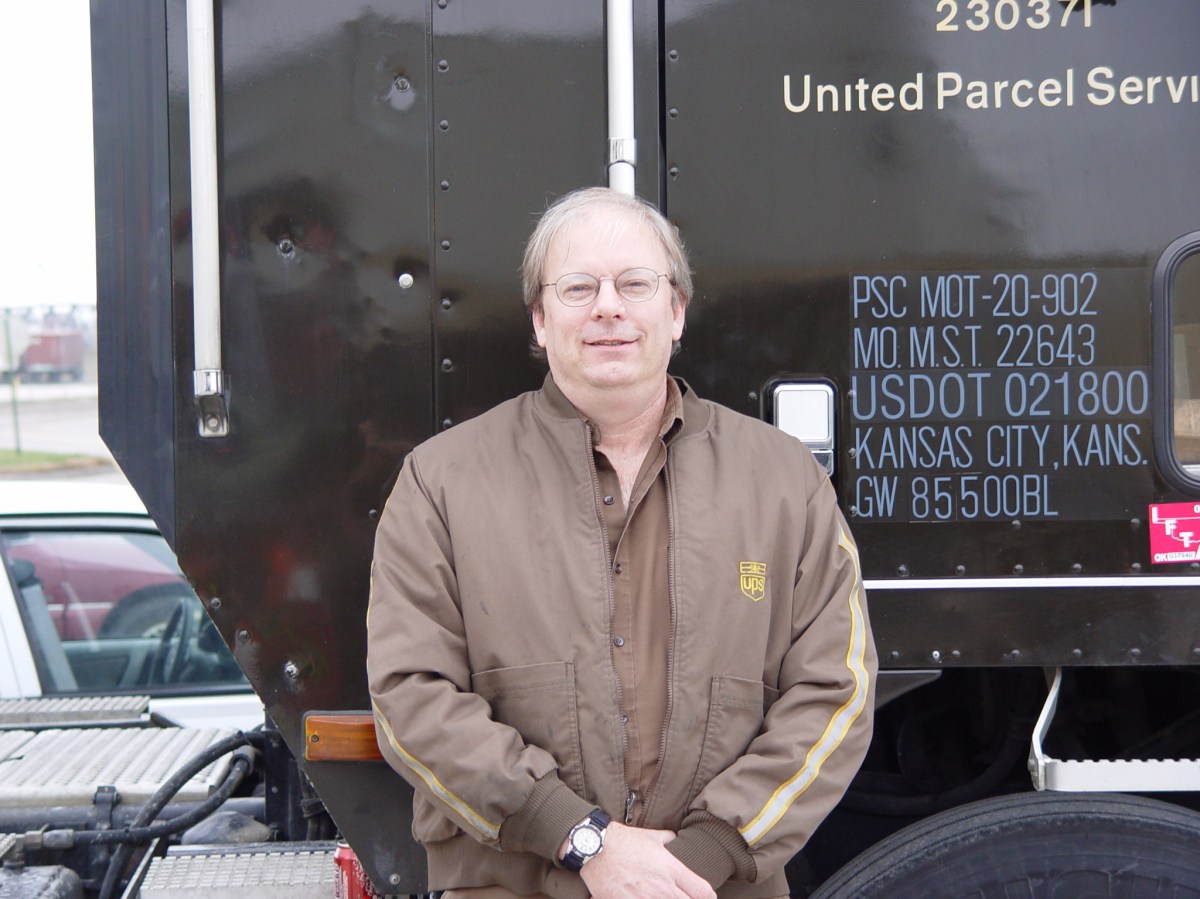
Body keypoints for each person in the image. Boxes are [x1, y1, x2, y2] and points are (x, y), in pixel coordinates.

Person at [367, 187, 876, 899]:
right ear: (540, 319)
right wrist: (579, 838)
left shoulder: (784, 479)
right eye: (578, 287)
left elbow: (836, 691)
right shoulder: (440, 481)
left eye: (636, 284)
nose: (608, 307)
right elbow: (410, 695)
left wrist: (705, 854)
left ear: (676, 310)